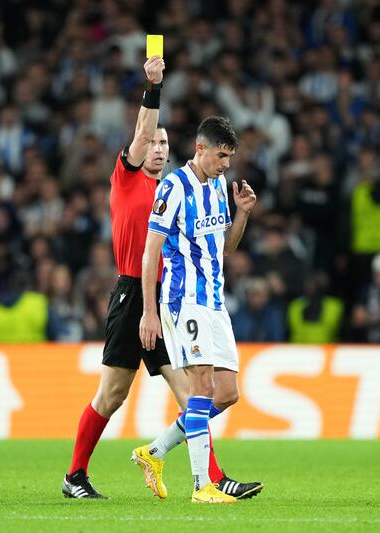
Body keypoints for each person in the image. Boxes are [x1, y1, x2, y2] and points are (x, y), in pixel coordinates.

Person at [62, 57, 261, 501]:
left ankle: (207, 474)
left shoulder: (186, 188)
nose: (156, 147)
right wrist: (153, 88)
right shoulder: (129, 179)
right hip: (134, 294)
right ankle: (75, 474)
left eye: (163, 142)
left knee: (195, 392)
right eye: (151, 141)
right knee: (111, 395)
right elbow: (139, 133)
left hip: (174, 297)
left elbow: (218, 245)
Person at [138, 116, 261, 503]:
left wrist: (242, 213)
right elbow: (150, 253)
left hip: (214, 301)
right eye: (222, 155)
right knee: (202, 387)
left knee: (226, 394)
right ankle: (200, 486)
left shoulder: (221, 187)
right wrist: (149, 312)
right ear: (201, 148)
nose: (227, 164)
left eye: (230, 157)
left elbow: (225, 248)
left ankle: (154, 451)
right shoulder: (173, 187)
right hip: (182, 299)